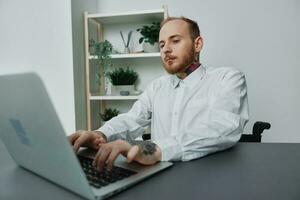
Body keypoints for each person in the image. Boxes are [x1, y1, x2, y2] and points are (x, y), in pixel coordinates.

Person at [68, 16, 249, 172]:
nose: (166, 49)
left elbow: (224, 127)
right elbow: (132, 119)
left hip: (210, 176)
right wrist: (100, 134)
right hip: (160, 173)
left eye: (175, 40)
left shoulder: (227, 78)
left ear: (198, 44)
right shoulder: (157, 86)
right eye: (161, 44)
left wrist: (156, 149)